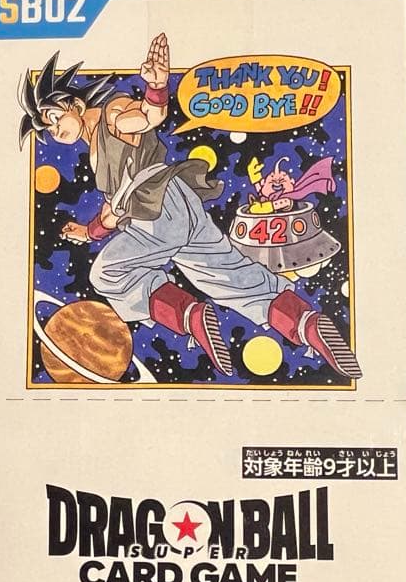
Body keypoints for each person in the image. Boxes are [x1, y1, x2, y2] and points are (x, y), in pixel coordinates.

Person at [19, 34, 361, 379]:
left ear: (74, 105)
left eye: (54, 116)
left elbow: (147, 117)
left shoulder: (111, 116)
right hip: (179, 204)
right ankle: (306, 324)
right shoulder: (96, 144)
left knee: (108, 273)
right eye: (47, 128)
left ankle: (189, 316)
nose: (54, 129)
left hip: (157, 211)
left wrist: (156, 88)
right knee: (230, 276)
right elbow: (114, 210)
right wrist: (88, 231)